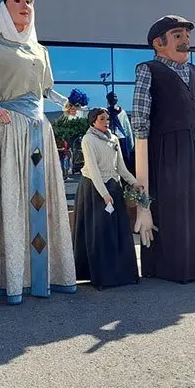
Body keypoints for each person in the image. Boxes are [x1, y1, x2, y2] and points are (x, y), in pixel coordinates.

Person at [0, 0, 76, 304]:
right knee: (10, 200)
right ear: (2, 8)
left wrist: (66, 104)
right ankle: (8, 278)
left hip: (38, 131)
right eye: (18, 0)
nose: (26, 6)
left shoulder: (41, 51)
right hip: (5, 129)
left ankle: (42, 276)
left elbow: (44, 91)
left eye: (29, 0)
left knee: (38, 199)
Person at [131, 15, 195, 283]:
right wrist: (142, 202)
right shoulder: (148, 69)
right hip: (167, 148)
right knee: (175, 202)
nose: (186, 41)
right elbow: (140, 120)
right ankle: (174, 267)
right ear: (158, 43)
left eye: (187, 36)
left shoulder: (193, 71)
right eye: (177, 36)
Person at [73, 107, 140, 289]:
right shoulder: (88, 140)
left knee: (118, 231)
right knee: (100, 232)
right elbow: (93, 170)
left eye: (107, 119)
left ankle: (121, 273)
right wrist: (104, 194)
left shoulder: (113, 139)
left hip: (113, 187)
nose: (106, 122)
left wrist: (134, 182)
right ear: (93, 121)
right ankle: (102, 276)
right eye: (102, 119)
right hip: (95, 190)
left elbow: (121, 167)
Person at [105, 91, 135, 172]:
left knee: (124, 160)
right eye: (111, 97)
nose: (113, 99)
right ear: (108, 100)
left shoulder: (122, 112)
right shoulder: (106, 112)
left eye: (115, 97)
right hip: (110, 139)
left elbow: (127, 127)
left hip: (121, 139)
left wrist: (131, 143)